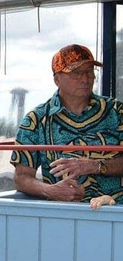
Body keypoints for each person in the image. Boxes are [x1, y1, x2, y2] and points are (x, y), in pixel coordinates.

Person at [10, 43, 123, 203]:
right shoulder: (36, 120)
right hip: (65, 217)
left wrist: (96, 165)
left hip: (116, 215)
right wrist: (50, 191)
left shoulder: (117, 112)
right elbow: (21, 178)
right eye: (76, 73)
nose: (85, 79)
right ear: (57, 79)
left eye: (89, 71)